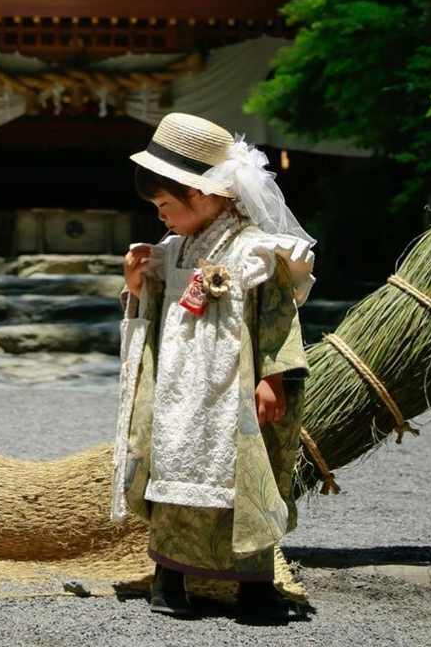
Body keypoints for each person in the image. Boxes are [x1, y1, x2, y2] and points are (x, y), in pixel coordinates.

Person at [110, 112, 315, 622]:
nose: (160, 217)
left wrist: (271, 378)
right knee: (173, 462)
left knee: (243, 469)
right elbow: (154, 314)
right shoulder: (171, 251)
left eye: (164, 205)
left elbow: (276, 315)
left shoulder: (256, 252)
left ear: (200, 194)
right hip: (179, 384)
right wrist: (139, 288)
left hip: (234, 380)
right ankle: (169, 575)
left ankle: (252, 582)